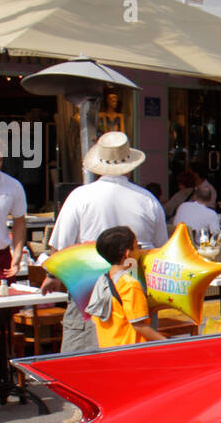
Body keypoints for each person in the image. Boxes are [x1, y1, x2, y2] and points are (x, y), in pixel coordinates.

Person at [42, 132, 168, 362]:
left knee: (82, 364)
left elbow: (60, 248)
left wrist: (52, 275)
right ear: (129, 165)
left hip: (90, 289)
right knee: (139, 362)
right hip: (136, 285)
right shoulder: (148, 199)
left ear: (98, 165)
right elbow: (161, 249)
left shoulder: (80, 197)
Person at [84, 226, 162, 348]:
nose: (140, 251)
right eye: (137, 247)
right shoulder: (129, 284)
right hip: (130, 351)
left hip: (109, 349)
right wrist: (165, 341)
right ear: (127, 253)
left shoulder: (103, 280)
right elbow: (139, 325)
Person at [0, 150, 26, 278]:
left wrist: (17, 254)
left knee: (7, 296)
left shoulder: (13, 186)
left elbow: (19, 221)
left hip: (2, 257)